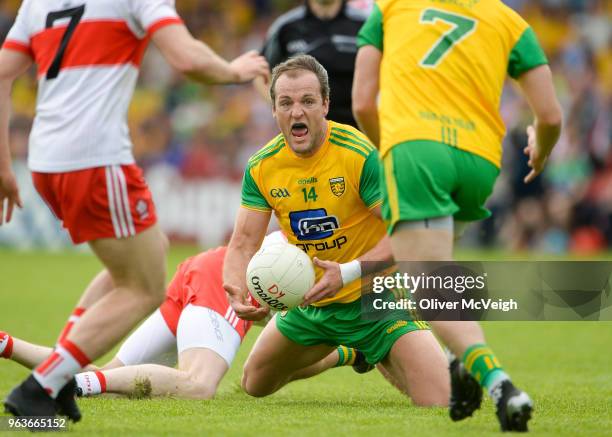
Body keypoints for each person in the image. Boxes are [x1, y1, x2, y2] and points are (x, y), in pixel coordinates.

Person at [0, 0, 269, 422]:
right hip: (96, 159)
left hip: (43, 162)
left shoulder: (39, 2)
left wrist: (3, 166)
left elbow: (2, 72)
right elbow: (185, 56)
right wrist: (235, 71)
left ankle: (59, 375)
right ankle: (42, 387)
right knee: (145, 286)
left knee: (145, 255)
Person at [352, 0, 563, 432]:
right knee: (442, 275)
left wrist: (393, 151)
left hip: (416, 150)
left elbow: (361, 102)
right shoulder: (510, 20)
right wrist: (540, 148)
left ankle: (498, 381)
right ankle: (457, 360)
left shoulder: (391, 7)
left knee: (425, 286)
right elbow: (551, 115)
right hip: (480, 160)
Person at [222, 54, 449, 406]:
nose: (297, 112)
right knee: (255, 383)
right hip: (310, 304)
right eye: (286, 103)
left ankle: (370, 345)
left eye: (308, 101)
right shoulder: (261, 167)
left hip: (377, 299)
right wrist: (237, 292)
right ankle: (346, 352)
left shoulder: (358, 155)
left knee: (441, 400)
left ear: (326, 104)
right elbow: (243, 243)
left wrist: (347, 273)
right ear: (274, 110)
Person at [0, 232, 371, 399]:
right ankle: (73, 388)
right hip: (223, 280)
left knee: (108, 376)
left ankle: (6, 343)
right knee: (198, 384)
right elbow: (288, 360)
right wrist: (346, 354)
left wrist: (345, 355)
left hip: (201, 268)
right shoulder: (324, 267)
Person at [255, 0, 367, 127]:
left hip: (357, 132)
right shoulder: (285, 26)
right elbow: (260, 71)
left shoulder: (364, 23)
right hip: (304, 133)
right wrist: (282, 107)